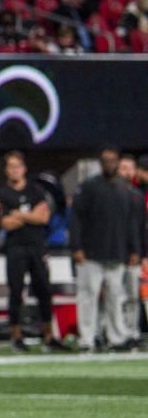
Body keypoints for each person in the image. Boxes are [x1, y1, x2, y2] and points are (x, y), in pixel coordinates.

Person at [70, 148, 140, 353]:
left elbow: (131, 224)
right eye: (106, 161)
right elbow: (75, 219)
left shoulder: (124, 190)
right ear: (101, 163)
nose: (109, 164)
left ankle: (116, 338)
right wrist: (77, 247)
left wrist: (133, 250)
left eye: (113, 161)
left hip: (117, 253)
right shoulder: (89, 187)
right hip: (90, 253)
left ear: (117, 163)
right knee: (88, 297)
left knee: (116, 297)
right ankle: (87, 339)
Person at [0, 151, 63, 352]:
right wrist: (30, 215)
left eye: (18, 166)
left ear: (24, 168)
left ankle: (49, 336)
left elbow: (44, 218)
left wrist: (19, 215)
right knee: (16, 293)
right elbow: (5, 223)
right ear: (6, 170)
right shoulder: (2, 194)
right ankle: (17, 337)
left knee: (44, 290)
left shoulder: (36, 190)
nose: (15, 170)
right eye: (11, 166)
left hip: (36, 247)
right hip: (15, 248)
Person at [119, 154, 146, 348]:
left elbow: (140, 227)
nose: (128, 172)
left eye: (131, 168)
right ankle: (115, 334)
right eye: (124, 168)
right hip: (113, 252)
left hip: (135, 253)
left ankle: (132, 332)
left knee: (134, 296)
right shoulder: (108, 192)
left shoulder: (137, 194)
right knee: (115, 297)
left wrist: (142, 253)